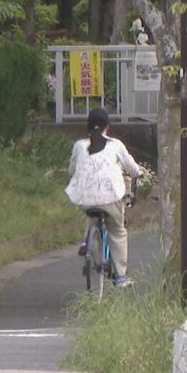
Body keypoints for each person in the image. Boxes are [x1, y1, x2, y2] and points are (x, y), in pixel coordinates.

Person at [65, 107, 140, 287]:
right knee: (118, 232)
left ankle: (86, 241)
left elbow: (71, 170)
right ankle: (121, 276)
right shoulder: (115, 145)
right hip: (110, 197)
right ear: (108, 126)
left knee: (92, 212)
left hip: (84, 197)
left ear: (88, 126)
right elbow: (133, 169)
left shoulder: (79, 145)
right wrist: (137, 174)